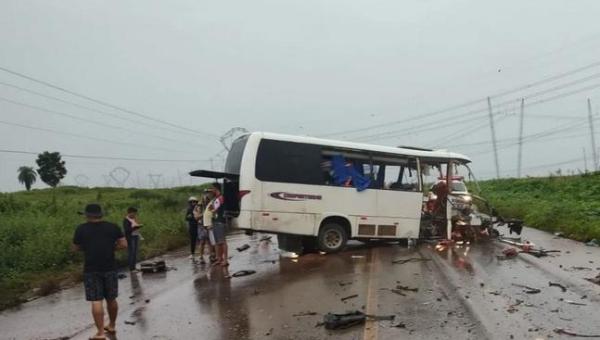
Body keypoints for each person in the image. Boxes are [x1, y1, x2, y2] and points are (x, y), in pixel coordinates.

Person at [72, 203, 127, 340]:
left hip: (91, 269)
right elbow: (124, 244)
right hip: (110, 267)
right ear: (101, 214)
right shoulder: (112, 227)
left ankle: (101, 333)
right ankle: (112, 325)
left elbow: (74, 248)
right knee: (111, 298)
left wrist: (87, 247)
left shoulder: (81, 229)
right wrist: (111, 248)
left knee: (96, 300)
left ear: (87, 215)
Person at [208, 183, 229, 267]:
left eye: (212, 189)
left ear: (216, 189)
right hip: (215, 221)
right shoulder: (215, 198)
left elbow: (215, 210)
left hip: (220, 221)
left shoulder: (221, 198)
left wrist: (212, 209)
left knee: (222, 241)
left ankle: (225, 260)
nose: (211, 191)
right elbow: (213, 209)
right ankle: (219, 258)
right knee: (217, 242)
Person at [123, 207, 142, 272]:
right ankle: (131, 268)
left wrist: (138, 226)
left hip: (136, 236)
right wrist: (134, 228)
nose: (134, 215)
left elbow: (135, 226)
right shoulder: (126, 220)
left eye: (135, 213)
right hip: (130, 238)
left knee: (135, 252)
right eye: (134, 213)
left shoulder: (134, 219)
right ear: (130, 213)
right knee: (131, 252)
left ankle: (134, 267)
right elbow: (127, 230)